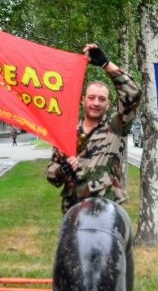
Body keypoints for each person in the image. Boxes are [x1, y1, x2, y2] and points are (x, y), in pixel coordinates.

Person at [45, 43, 142, 214]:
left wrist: (106, 64)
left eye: (101, 99)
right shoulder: (67, 133)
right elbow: (52, 176)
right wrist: (62, 170)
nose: (96, 103)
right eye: (91, 98)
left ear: (108, 103)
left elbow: (133, 94)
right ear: (83, 100)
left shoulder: (116, 127)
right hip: (75, 214)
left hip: (108, 213)